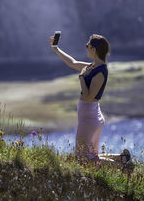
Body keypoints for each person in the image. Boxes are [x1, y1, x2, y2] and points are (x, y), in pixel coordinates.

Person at [49, 33, 133, 173]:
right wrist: (56, 48)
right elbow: (72, 63)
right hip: (90, 118)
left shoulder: (100, 72)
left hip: (89, 120)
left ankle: (123, 167)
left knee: (84, 160)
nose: (86, 47)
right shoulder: (92, 67)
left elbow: (88, 97)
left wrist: (81, 78)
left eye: (88, 45)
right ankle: (122, 158)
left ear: (94, 50)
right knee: (89, 156)